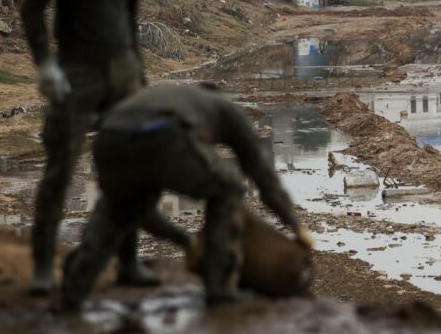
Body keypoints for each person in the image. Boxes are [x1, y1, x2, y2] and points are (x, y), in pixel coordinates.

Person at [60, 85, 313, 311]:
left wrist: (186, 241)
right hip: (164, 134)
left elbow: (144, 214)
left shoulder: (175, 96)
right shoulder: (227, 110)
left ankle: (73, 291)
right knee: (230, 188)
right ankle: (219, 290)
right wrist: (294, 224)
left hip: (108, 137)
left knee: (117, 207)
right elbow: (261, 173)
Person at [20, 0, 153, 294]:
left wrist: (139, 77)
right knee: (61, 165)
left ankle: (128, 262)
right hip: (78, 70)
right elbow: (33, 5)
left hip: (123, 71)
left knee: (127, 168)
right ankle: (44, 268)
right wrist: (45, 63)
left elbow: (130, 23)